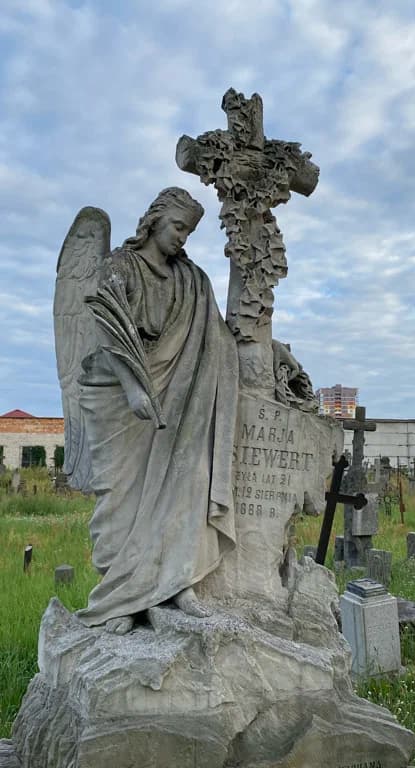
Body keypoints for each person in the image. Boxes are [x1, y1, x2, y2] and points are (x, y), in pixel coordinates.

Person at [76, 188, 239, 633]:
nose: (183, 239)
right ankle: (121, 601)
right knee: (120, 498)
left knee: (182, 487)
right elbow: (107, 332)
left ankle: (175, 584)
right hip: (119, 399)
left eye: (189, 231)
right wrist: (132, 387)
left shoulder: (193, 281)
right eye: (178, 228)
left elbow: (220, 341)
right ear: (154, 222)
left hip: (177, 402)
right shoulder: (119, 267)